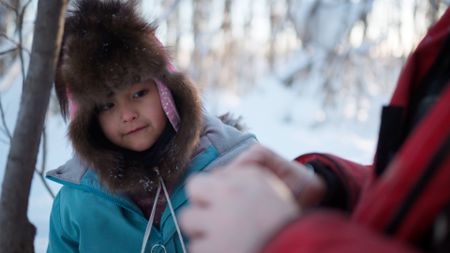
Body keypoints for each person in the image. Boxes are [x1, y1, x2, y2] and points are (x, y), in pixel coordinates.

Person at [180, 7, 450, 253]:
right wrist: (333, 191)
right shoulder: (441, 38)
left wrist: (284, 239)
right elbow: (421, 194)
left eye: (142, 93)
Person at [45, 1, 257, 252]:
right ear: (88, 120)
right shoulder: (77, 203)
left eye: (138, 94)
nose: (128, 114)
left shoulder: (232, 166)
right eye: (106, 105)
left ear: (166, 91)